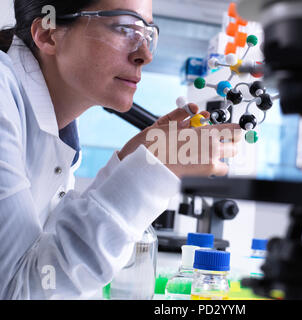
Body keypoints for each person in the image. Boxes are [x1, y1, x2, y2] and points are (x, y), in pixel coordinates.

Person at [0, 0, 242, 299]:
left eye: (148, 34)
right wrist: (152, 171)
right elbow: (18, 290)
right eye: (126, 28)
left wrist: (129, 162)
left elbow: (41, 257)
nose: (146, 55)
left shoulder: (58, 134)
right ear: (49, 34)